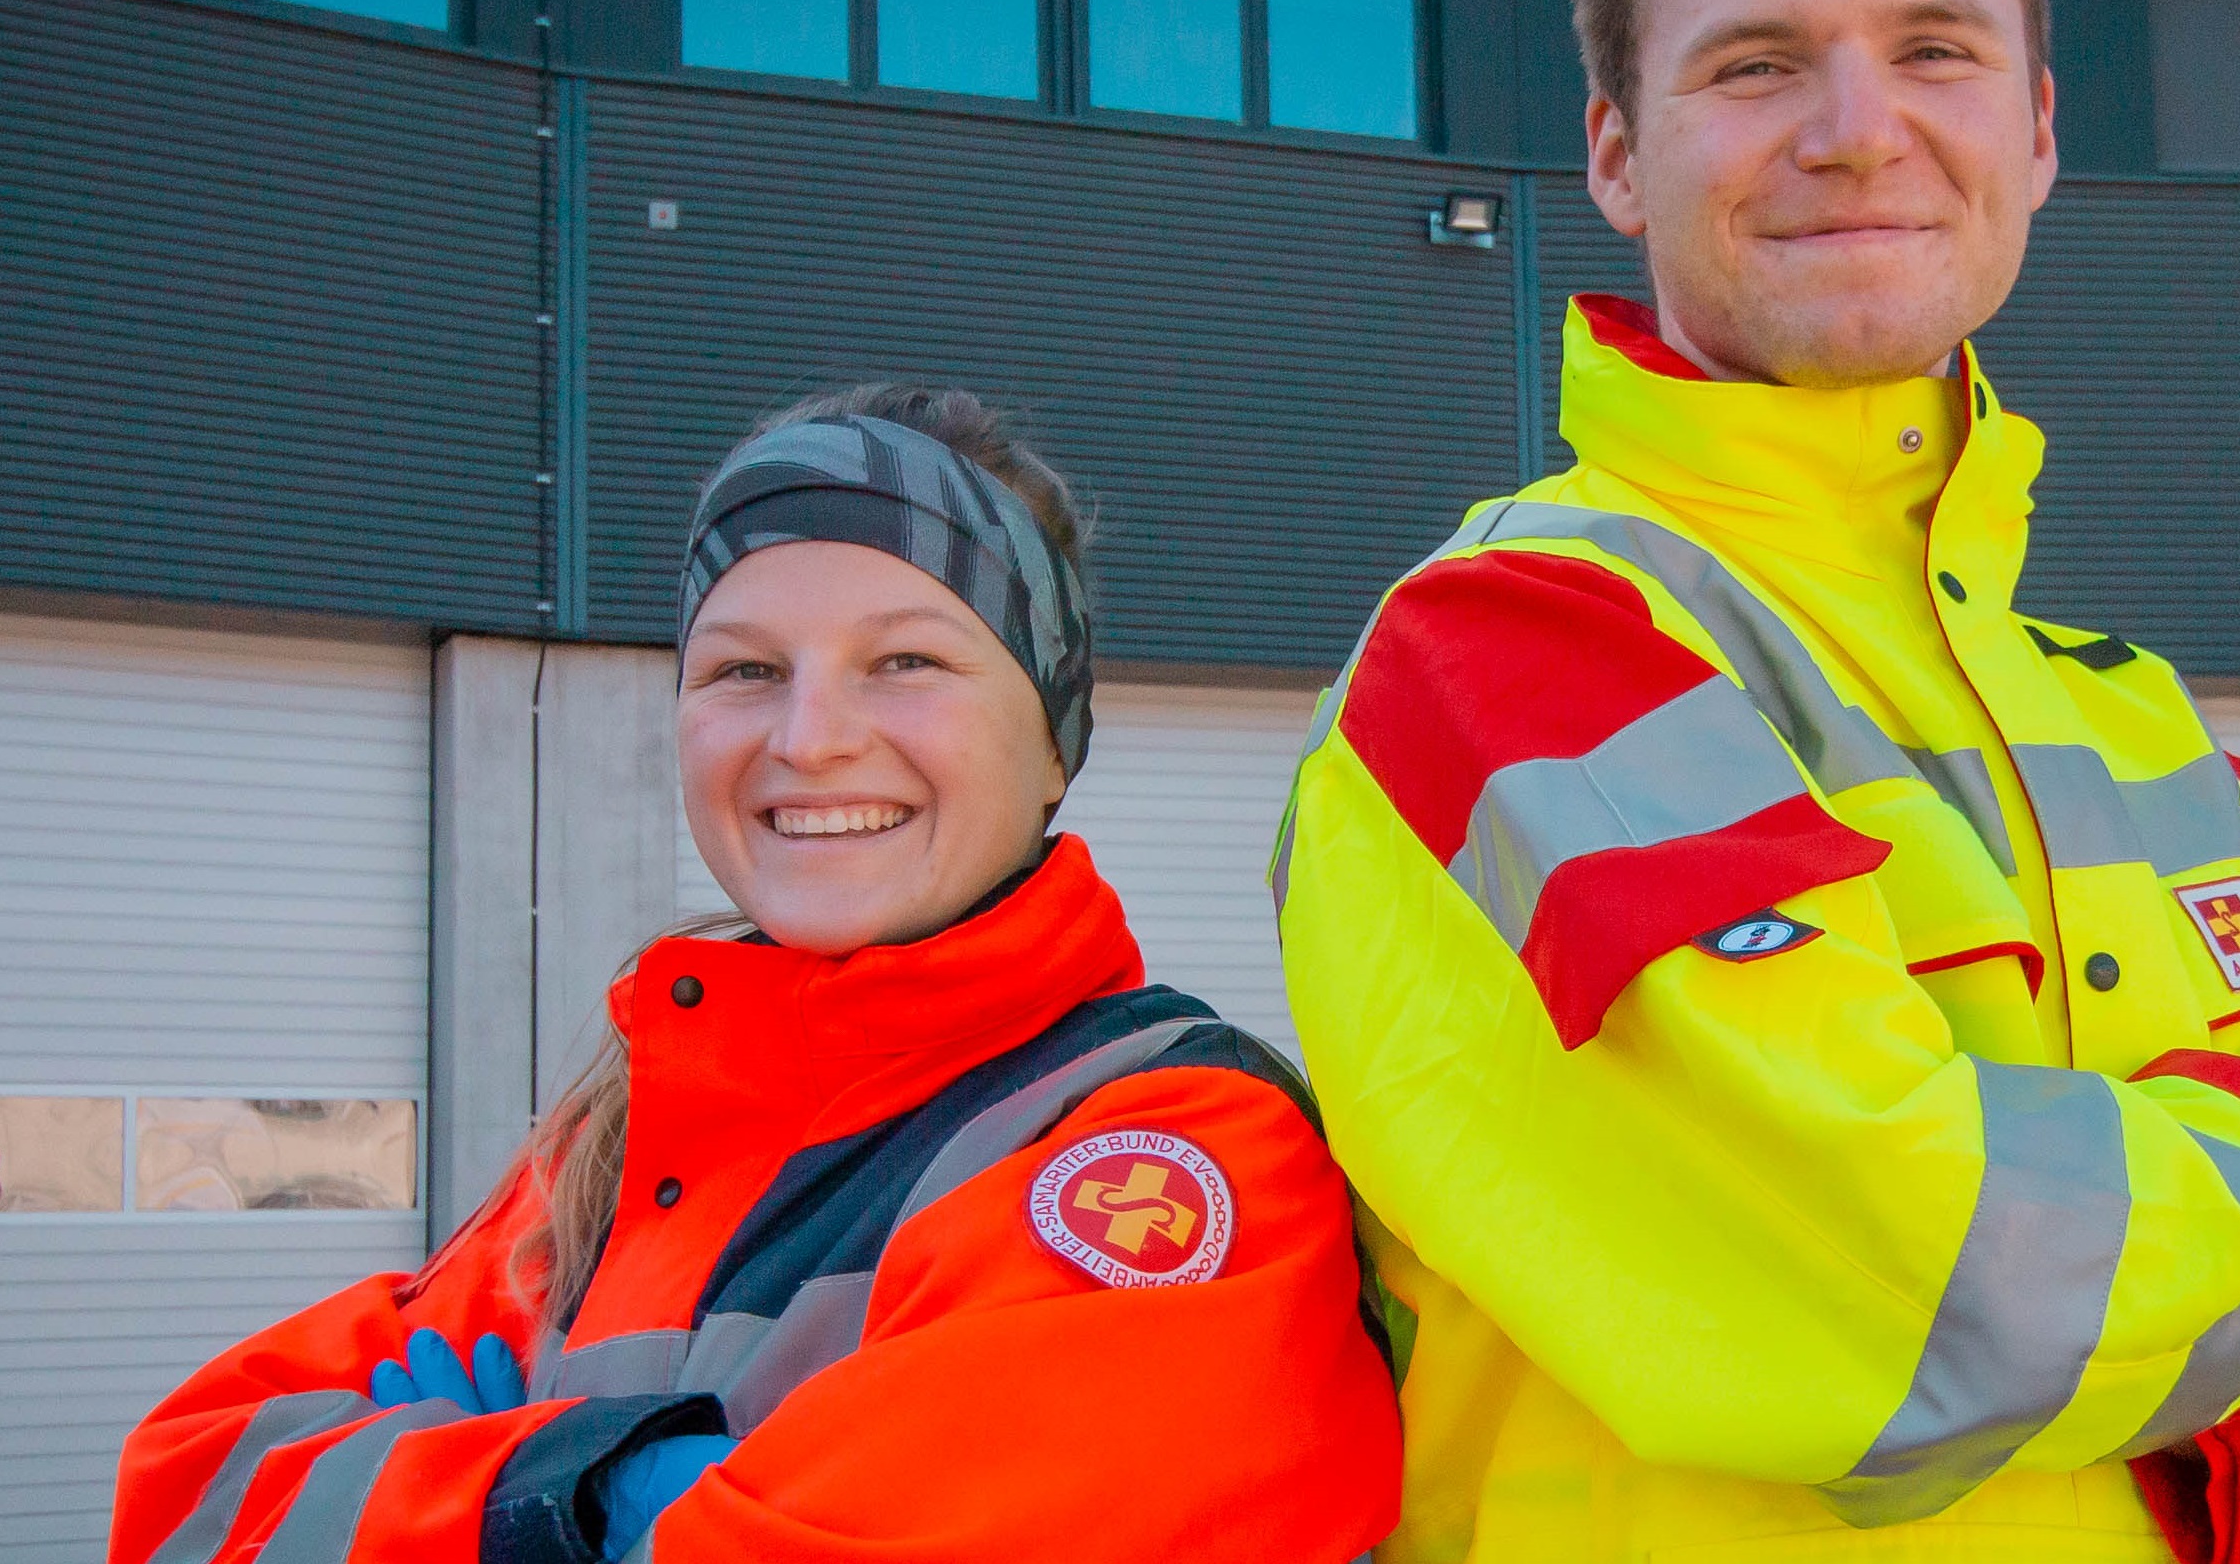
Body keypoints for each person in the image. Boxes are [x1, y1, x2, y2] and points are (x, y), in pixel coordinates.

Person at [1272, 0, 2240, 1560]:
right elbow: (1911, 1305)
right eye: (1752, 65)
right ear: (1617, 157)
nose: (1852, 126)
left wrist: (2189, 1413)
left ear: (2036, 132)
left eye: (1933, 49)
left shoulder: (2140, 726)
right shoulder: (1509, 660)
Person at [114, 386, 1398, 1564]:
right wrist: (610, 1490)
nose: (810, 738)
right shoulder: (611, 1147)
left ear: (1054, 740)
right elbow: (181, 1480)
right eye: (743, 668)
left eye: (907, 660)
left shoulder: (1170, 1141)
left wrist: (492, 1472)